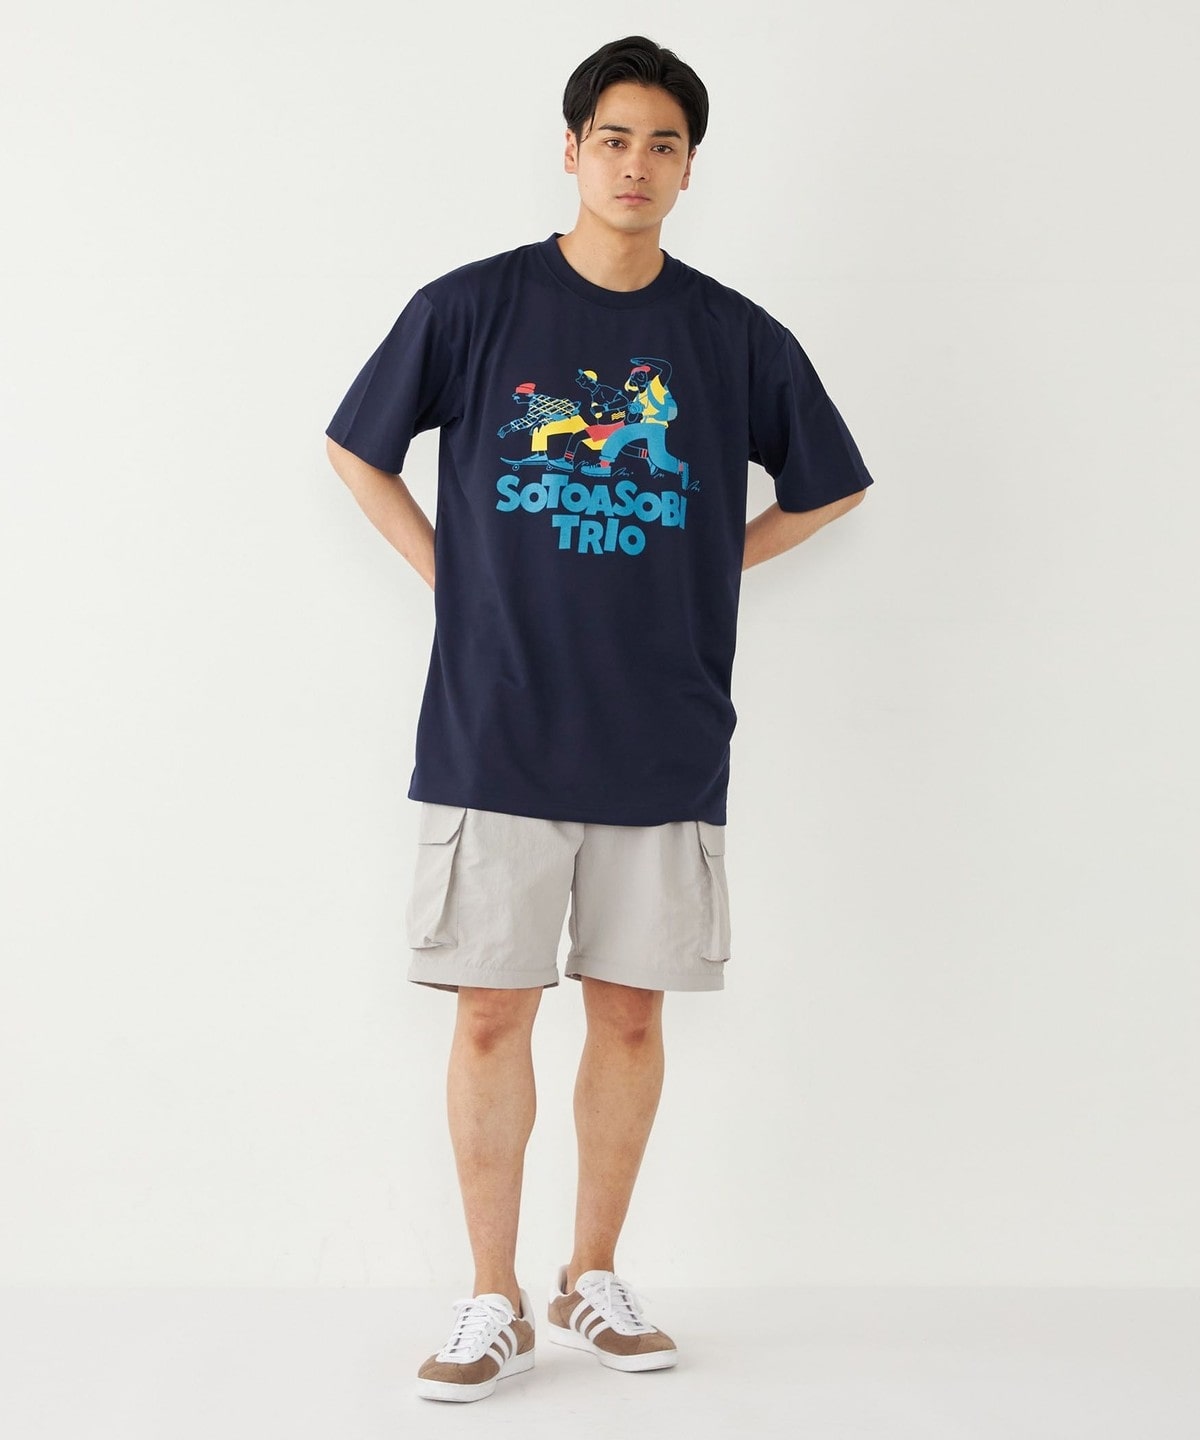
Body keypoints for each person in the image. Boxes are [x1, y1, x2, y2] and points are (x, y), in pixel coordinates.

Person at [324, 34, 875, 1404]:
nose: (637, 164)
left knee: (630, 1018)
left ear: (691, 170)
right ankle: (492, 1297)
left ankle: (591, 1275)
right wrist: (453, 577)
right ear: (572, 150)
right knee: (490, 1016)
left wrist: (708, 565)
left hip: (662, 734)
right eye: (614, 138)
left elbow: (832, 485)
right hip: (498, 725)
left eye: (664, 145)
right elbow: (357, 447)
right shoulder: (472, 309)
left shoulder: (732, 338)